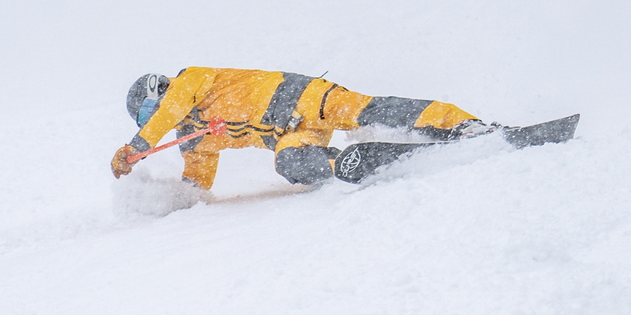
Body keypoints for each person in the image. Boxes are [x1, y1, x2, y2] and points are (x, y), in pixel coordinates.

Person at [110, 67, 493, 190]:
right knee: (289, 161)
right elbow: (196, 184)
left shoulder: (190, 80)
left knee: (366, 111)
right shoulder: (191, 137)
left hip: (304, 99)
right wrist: (155, 202)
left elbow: (171, 109)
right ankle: (351, 163)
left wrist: (137, 146)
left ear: (159, 91)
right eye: (143, 120)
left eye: (148, 112)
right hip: (291, 132)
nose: (151, 121)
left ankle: (461, 124)